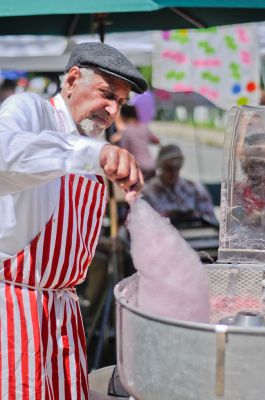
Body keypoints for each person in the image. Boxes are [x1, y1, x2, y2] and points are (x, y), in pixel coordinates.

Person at [0, 42, 147, 399]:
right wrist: (91, 154)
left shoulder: (92, 140)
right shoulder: (30, 110)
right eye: (106, 94)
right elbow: (5, 155)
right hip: (16, 310)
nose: (112, 110)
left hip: (64, 312)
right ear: (71, 78)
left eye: (121, 102)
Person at [142, 144, 218, 228]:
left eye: (176, 168)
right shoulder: (148, 191)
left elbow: (211, 219)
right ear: (161, 166)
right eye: (169, 168)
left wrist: (195, 216)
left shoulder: (194, 188)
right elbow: (143, 226)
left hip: (193, 234)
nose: (173, 172)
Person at [118, 104, 160, 180]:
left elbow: (124, 151)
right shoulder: (144, 126)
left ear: (124, 116)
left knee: (140, 191)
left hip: (139, 167)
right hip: (151, 165)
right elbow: (156, 141)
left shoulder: (126, 131)